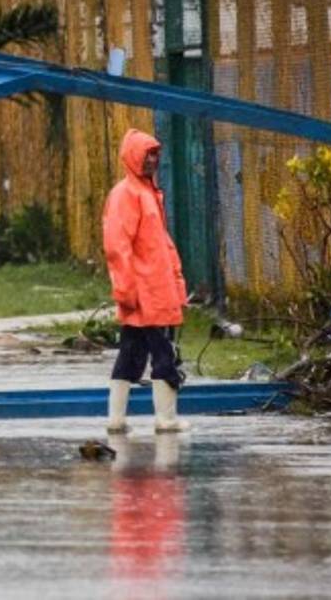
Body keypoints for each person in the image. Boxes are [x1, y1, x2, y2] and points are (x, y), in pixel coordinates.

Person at [102, 128, 189, 434]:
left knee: (131, 352)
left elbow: (161, 247)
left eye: (155, 154)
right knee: (163, 353)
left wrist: (177, 286)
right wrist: (125, 289)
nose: (152, 159)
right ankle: (165, 419)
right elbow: (117, 246)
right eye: (147, 153)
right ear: (133, 157)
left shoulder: (147, 194)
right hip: (145, 292)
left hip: (150, 291)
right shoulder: (128, 195)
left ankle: (116, 418)